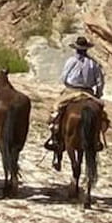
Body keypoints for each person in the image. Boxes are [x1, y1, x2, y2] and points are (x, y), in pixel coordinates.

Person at [44, 34, 105, 169]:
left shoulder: (71, 61)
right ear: (86, 49)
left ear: (76, 49)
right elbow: (100, 82)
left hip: (71, 91)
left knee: (56, 110)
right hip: (88, 93)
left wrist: (68, 85)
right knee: (101, 114)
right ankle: (97, 139)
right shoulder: (93, 64)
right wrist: (98, 94)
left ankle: (55, 138)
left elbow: (64, 77)